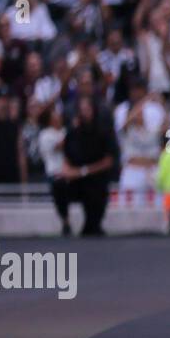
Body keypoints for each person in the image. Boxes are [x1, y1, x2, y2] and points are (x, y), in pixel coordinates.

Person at [52, 96, 119, 237]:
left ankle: (93, 225)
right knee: (58, 184)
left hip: (96, 180)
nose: (84, 113)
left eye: (87, 109)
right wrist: (66, 171)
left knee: (91, 229)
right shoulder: (72, 133)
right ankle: (66, 223)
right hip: (76, 180)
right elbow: (66, 157)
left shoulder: (104, 131)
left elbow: (109, 161)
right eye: (81, 110)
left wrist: (83, 171)